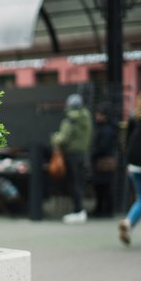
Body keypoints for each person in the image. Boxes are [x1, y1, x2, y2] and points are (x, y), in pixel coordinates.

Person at [51, 93, 92, 224]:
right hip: (82, 153)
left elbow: (63, 138)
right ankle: (79, 210)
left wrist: (54, 137)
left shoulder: (71, 119)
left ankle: (78, 211)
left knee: (73, 183)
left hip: (71, 153)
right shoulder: (86, 117)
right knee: (78, 182)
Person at [118, 86, 141, 247]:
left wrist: (128, 163)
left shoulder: (134, 118)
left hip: (136, 165)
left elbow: (126, 143)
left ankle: (129, 222)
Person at [90, 102, 118, 217]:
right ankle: (103, 209)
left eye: (99, 114)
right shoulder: (108, 128)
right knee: (103, 187)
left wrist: (94, 154)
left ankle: (104, 210)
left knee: (103, 187)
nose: (96, 117)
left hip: (103, 161)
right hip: (105, 160)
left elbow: (103, 146)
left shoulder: (105, 129)